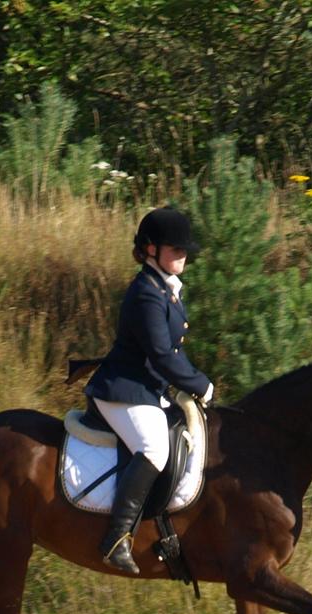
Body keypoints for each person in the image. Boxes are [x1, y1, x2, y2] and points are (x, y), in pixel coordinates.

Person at [84, 206, 214, 574]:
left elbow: (173, 352)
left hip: (146, 389)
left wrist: (192, 384)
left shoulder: (166, 289)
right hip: (121, 391)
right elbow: (160, 354)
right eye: (175, 248)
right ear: (150, 249)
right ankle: (116, 537)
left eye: (185, 248)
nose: (182, 254)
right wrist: (199, 384)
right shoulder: (146, 293)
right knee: (154, 448)